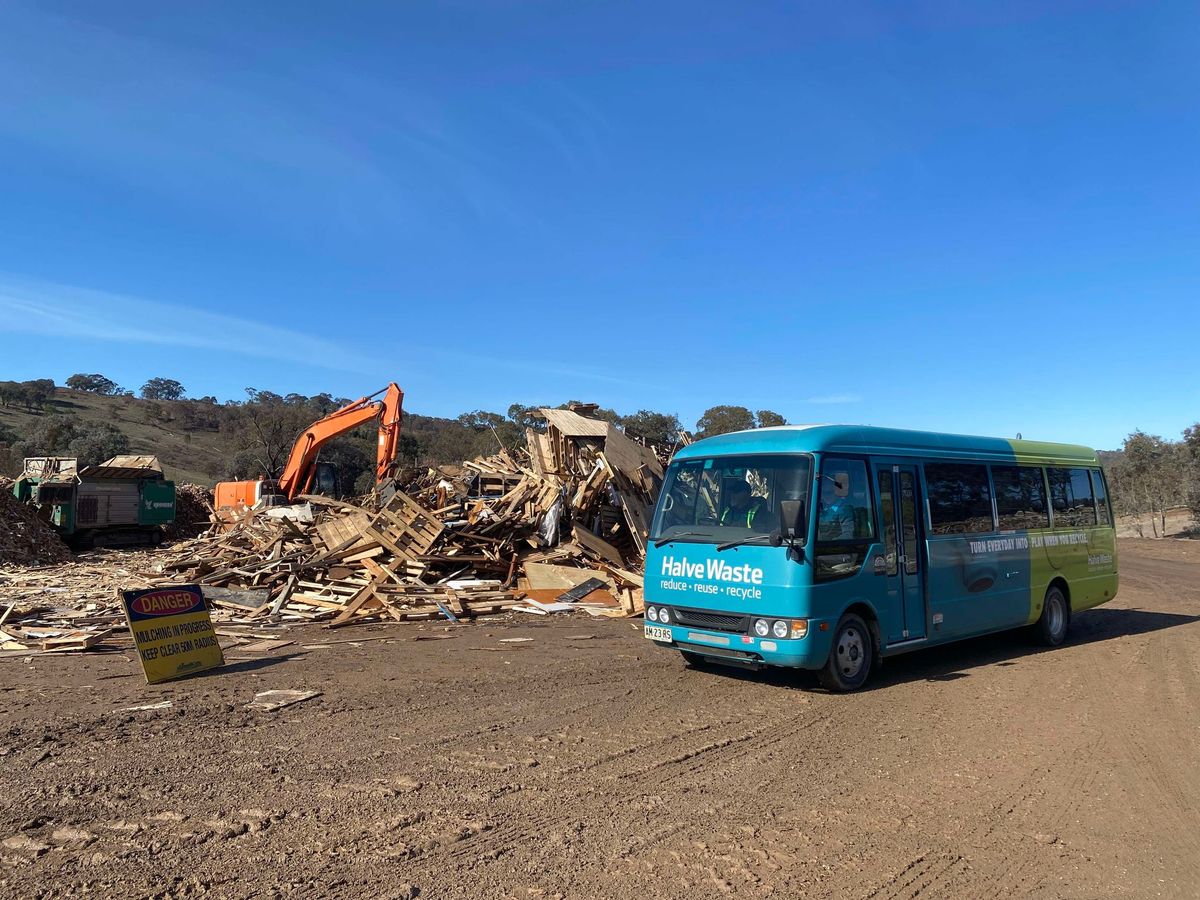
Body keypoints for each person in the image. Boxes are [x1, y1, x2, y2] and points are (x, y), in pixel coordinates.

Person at [818, 473, 857, 540]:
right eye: (823, 493)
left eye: (829, 492)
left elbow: (848, 535)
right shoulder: (819, 507)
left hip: (834, 548)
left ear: (837, 491)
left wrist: (827, 543)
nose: (825, 496)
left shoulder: (845, 509)